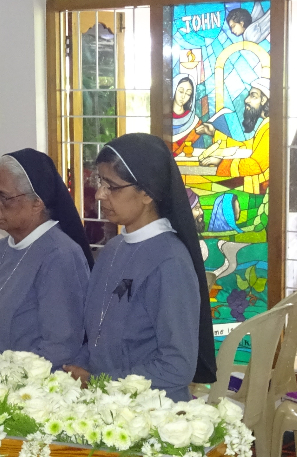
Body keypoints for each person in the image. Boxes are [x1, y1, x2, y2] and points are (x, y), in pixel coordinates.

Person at [64, 133, 217, 402]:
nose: (99, 194)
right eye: (100, 182)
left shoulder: (170, 262)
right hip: (105, 400)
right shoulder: (113, 250)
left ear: (147, 192)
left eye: (111, 186)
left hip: (152, 408)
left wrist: (99, 383)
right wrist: (73, 369)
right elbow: (97, 338)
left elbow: (177, 368)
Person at [0, 149, 93, 369]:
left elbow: (60, 347)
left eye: (2, 197)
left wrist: (1, 377)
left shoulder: (60, 255)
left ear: (37, 203)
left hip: (23, 384)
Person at [198, 78, 270, 195]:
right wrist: (214, 133)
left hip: (261, 193)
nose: (246, 100)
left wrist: (221, 162)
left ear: (263, 100)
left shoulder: (269, 129)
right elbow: (247, 146)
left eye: (253, 96)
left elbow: (256, 165)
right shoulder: (266, 125)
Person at [172, 75, 209, 156]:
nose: (183, 96)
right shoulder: (163, 118)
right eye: (181, 91)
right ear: (173, 89)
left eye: (188, 94)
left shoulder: (195, 122)